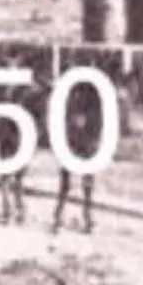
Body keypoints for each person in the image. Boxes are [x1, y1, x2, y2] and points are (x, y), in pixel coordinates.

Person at [51, 77, 102, 234]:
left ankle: (64, 216)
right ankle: (73, 217)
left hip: (80, 141)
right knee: (75, 183)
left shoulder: (81, 96)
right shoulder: (78, 95)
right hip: (76, 141)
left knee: (75, 183)